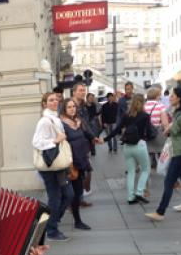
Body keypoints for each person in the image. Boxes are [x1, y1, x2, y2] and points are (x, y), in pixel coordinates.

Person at [145, 87, 181, 221]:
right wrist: (169, 130)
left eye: (172, 96)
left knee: (169, 181)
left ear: (179, 98)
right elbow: (178, 132)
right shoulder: (179, 114)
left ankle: (160, 212)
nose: (169, 98)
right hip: (178, 152)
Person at [32, 92, 74, 242]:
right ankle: (51, 230)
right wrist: (56, 140)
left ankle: (52, 222)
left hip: (58, 164)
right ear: (44, 103)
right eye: (50, 100)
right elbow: (36, 142)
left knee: (68, 194)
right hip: (50, 165)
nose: (54, 102)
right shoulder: (45, 121)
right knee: (55, 198)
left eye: (56, 100)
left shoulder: (55, 118)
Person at [100, 94, 151, 205]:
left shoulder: (126, 115)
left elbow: (116, 129)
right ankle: (139, 191)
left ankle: (130, 197)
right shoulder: (145, 116)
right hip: (140, 145)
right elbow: (149, 132)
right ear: (143, 103)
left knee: (131, 172)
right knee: (145, 169)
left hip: (127, 146)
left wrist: (104, 139)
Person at [60, 98, 96, 230]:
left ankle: (75, 221)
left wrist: (94, 138)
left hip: (81, 161)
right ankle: (57, 219)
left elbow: (87, 134)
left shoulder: (78, 122)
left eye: (73, 107)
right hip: (70, 163)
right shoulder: (62, 124)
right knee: (69, 194)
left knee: (77, 193)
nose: (72, 109)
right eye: (69, 107)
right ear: (64, 109)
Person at [143, 86, 170, 167]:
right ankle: (162, 164)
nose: (160, 96)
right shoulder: (161, 106)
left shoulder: (143, 107)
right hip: (158, 132)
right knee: (161, 149)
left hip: (147, 132)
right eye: (159, 95)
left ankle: (152, 160)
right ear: (156, 96)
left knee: (150, 147)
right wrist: (167, 131)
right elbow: (165, 123)